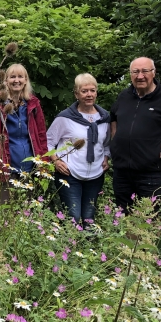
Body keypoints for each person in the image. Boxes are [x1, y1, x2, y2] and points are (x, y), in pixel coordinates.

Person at [109, 57, 161, 212]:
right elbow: (113, 118)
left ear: (153, 73)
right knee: (124, 219)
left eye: (145, 71)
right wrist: (116, 144)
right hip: (122, 173)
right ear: (130, 74)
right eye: (136, 72)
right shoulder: (124, 96)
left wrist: (160, 151)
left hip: (152, 173)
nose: (140, 76)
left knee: (151, 220)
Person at [47, 73, 111, 223]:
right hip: (70, 173)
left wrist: (106, 159)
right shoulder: (65, 117)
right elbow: (48, 142)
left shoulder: (105, 118)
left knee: (89, 218)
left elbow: (107, 143)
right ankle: (69, 246)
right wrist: (56, 161)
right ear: (76, 94)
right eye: (84, 91)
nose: (89, 94)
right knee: (73, 217)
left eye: (92, 90)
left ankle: (88, 246)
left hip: (95, 174)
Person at [0, 63, 48, 190]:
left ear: (26, 80)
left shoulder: (33, 105)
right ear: (6, 80)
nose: (16, 80)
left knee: (27, 208)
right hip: (4, 170)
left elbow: (41, 136)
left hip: (30, 170)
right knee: (3, 208)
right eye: (12, 77)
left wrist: (44, 164)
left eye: (20, 77)